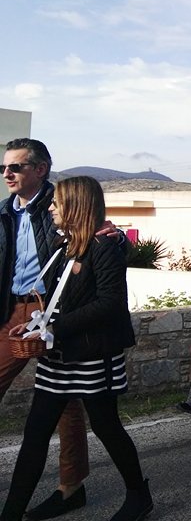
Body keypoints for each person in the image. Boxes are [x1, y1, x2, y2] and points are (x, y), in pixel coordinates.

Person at [1, 176, 152, 521]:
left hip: (93, 356)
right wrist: (37, 323)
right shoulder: (63, 245)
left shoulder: (104, 247)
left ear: (76, 206)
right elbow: (60, 300)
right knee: (35, 433)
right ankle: (11, 513)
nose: (50, 208)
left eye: (57, 202)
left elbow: (110, 304)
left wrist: (55, 328)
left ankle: (138, 495)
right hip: (59, 355)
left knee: (106, 426)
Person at [0, 139, 90, 521]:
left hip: (51, 311)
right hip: (10, 311)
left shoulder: (61, 205)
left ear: (40, 169)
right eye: (4, 168)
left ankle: (71, 487)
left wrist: (116, 238)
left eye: (15, 167)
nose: (7, 174)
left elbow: (93, 239)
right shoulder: (4, 211)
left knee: (66, 402)